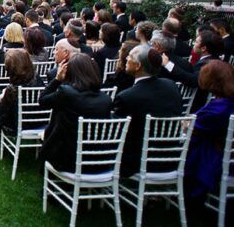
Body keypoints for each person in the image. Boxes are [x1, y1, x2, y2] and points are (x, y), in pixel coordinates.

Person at [113, 44, 182, 177]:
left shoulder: (127, 96)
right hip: (171, 158)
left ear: (138, 66)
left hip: (136, 163)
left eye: (130, 57)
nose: (126, 58)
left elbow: (117, 133)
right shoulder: (171, 86)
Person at [39, 53, 113, 172]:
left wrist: (57, 79)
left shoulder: (66, 93)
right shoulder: (106, 99)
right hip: (99, 160)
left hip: (68, 160)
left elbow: (42, 101)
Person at [184, 60, 234, 206]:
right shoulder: (227, 101)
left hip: (215, 157)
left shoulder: (218, 110)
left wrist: (186, 123)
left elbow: (191, 128)